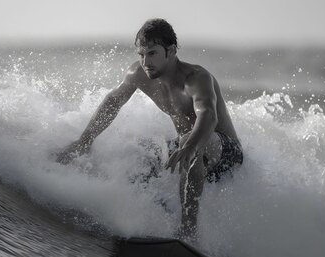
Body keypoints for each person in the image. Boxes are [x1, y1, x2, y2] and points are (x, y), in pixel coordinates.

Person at [56, 18, 243, 242]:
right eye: (141, 55)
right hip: (187, 152)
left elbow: (208, 116)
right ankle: (146, 222)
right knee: (142, 154)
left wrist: (191, 145)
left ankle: (188, 233)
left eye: (152, 53)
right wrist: (84, 141)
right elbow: (113, 101)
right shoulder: (139, 75)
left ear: (171, 50)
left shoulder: (196, 78)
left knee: (185, 142)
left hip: (225, 154)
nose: (146, 61)